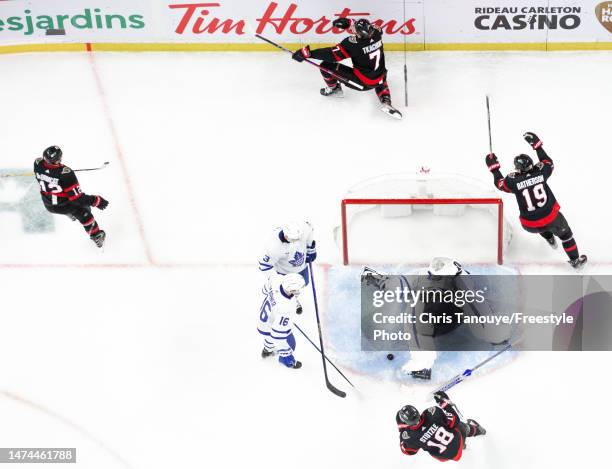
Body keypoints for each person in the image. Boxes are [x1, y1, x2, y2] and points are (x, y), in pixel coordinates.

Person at [486, 132, 587, 269]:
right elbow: (548, 163)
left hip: (529, 225)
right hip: (551, 218)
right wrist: (537, 146)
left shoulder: (513, 181)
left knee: (538, 220)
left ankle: (549, 238)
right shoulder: (541, 172)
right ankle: (575, 261)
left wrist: (494, 168)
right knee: (566, 235)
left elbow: (500, 183)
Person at [292, 17, 402, 119]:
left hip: (362, 83)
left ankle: (335, 90)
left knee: (325, 65)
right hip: (381, 76)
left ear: (358, 35)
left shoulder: (353, 44)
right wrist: (350, 23)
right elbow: (366, 29)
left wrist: (309, 53)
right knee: (377, 78)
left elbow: (331, 55)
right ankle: (386, 102)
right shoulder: (377, 32)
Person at [33, 146, 108, 248]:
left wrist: (49, 173)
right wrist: (97, 200)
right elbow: (78, 198)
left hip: (48, 205)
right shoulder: (66, 174)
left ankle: (70, 213)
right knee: (85, 212)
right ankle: (96, 235)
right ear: (58, 159)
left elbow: (46, 169)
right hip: (63, 205)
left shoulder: (37, 164)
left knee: (75, 207)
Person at [396, 391, 486, 462]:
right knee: (460, 426)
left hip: (444, 456)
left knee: (443, 437)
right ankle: (478, 430)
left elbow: (408, 451)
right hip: (458, 439)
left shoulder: (409, 437)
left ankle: (462, 447)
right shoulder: (432, 413)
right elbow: (454, 419)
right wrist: (444, 403)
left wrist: (401, 430)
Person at [258, 221, 316, 313]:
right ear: (286, 236)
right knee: (288, 290)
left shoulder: (303, 229)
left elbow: (310, 229)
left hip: (301, 268)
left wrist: (310, 248)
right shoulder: (274, 247)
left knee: (301, 284)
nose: (297, 241)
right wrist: (275, 280)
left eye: (298, 238)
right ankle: (292, 301)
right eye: (294, 239)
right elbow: (264, 266)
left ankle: (293, 295)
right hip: (284, 272)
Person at [257, 273, 305, 369]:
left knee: (268, 336)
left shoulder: (277, 279)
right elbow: (278, 335)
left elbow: (264, 290)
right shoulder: (286, 308)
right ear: (291, 289)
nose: (299, 290)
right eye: (298, 288)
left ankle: (267, 350)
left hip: (264, 320)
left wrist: (296, 305)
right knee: (290, 344)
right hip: (273, 323)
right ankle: (287, 360)